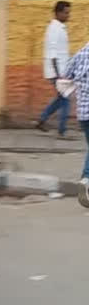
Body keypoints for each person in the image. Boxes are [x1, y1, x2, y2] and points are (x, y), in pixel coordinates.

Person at [36, 1, 71, 138]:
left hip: (61, 70)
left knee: (61, 99)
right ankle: (62, 131)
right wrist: (59, 76)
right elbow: (52, 54)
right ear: (58, 13)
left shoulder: (60, 28)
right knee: (65, 99)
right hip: (57, 72)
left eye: (69, 12)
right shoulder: (54, 29)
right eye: (66, 13)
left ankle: (42, 120)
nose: (68, 15)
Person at [63, 39, 89, 205]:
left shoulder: (81, 52)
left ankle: (86, 180)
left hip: (83, 113)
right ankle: (86, 179)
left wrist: (75, 92)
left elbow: (66, 75)